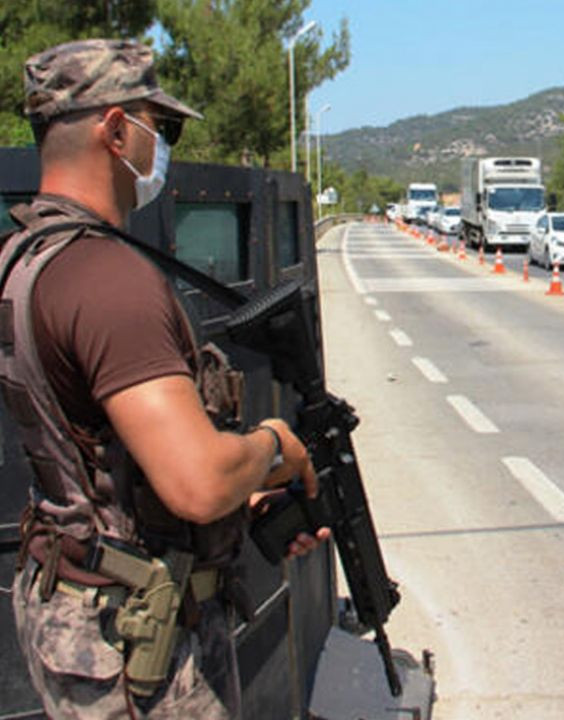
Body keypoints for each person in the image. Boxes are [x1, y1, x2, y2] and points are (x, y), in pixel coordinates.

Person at [2, 39, 328, 718]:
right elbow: (198, 481)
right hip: (140, 648)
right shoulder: (107, 280)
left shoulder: (25, 257)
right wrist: (273, 446)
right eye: (163, 126)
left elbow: (99, 456)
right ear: (116, 129)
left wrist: (244, 511)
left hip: (80, 602)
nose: (163, 147)